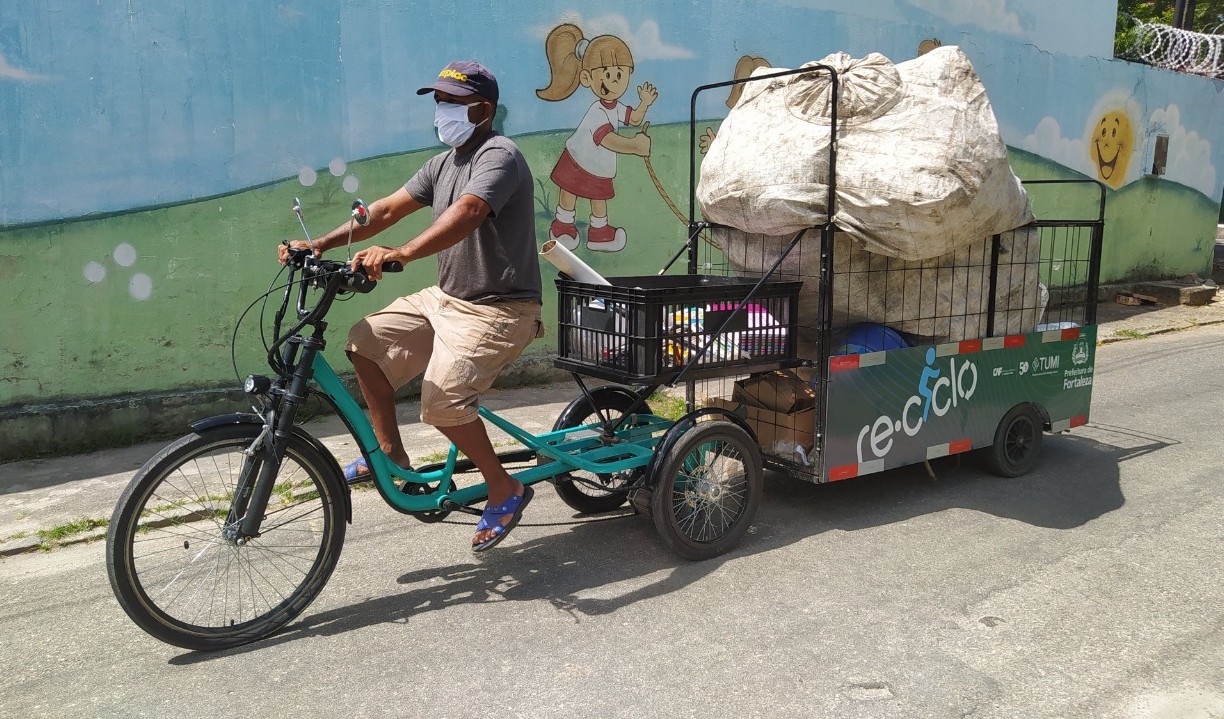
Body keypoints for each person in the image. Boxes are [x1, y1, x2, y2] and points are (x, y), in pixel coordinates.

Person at [278, 60, 544, 552]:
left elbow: (468, 212)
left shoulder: (499, 155)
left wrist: (401, 253)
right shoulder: (442, 164)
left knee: (441, 402)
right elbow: (383, 210)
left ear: (483, 110)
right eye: (437, 101)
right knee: (364, 344)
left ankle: (504, 488)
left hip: (501, 309)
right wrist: (319, 245)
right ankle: (390, 454)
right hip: (447, 300)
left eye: (451, 102)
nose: (440, 110)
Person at [536, 23, 656, 253]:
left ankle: (599, 234)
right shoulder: (597, 112)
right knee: (569, 193)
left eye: (620, 73)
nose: (614, 80)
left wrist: (644, 103)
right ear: (587, 78)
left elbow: (634, 118)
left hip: (599, 166)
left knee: (598, 197)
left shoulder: (616, 106)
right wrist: (635, 146)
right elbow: (609, 140)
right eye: (607, 74)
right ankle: (563, 227)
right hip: (577, 160)